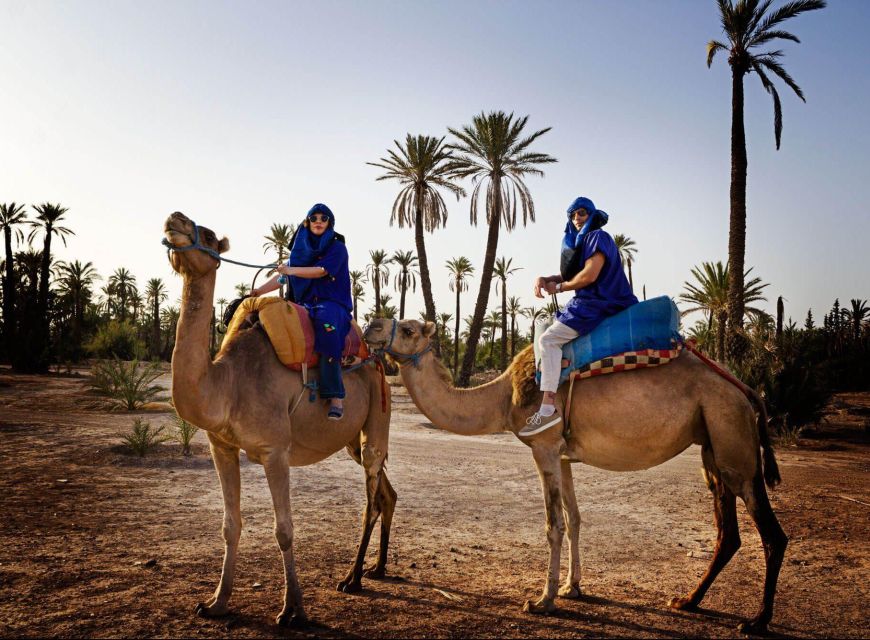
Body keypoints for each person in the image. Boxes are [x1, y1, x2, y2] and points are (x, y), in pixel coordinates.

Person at [520, 196, 638, 437]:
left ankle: (548, 408)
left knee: (548, 341)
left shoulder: (597, 237)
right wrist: (545, 279)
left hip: (599, 303)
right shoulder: (584, 243)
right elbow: (572, 274)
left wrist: (560, 288)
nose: (576, 218)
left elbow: (589, 276)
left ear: (592, 215)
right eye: (572, 215)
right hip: (591, 302)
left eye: (582, 213)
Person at [252, 203, 352, 420]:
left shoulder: (337, 248)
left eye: (323, 218)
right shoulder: (299, 254)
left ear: (329, 223)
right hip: (304, 304)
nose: (318, 221)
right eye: (313, 217)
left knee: (327, 326)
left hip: (331, 304)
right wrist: (258, 291)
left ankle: (335, 395)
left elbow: (320, 271)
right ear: (307, 222)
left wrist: (290, 269)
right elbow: (282, 278)